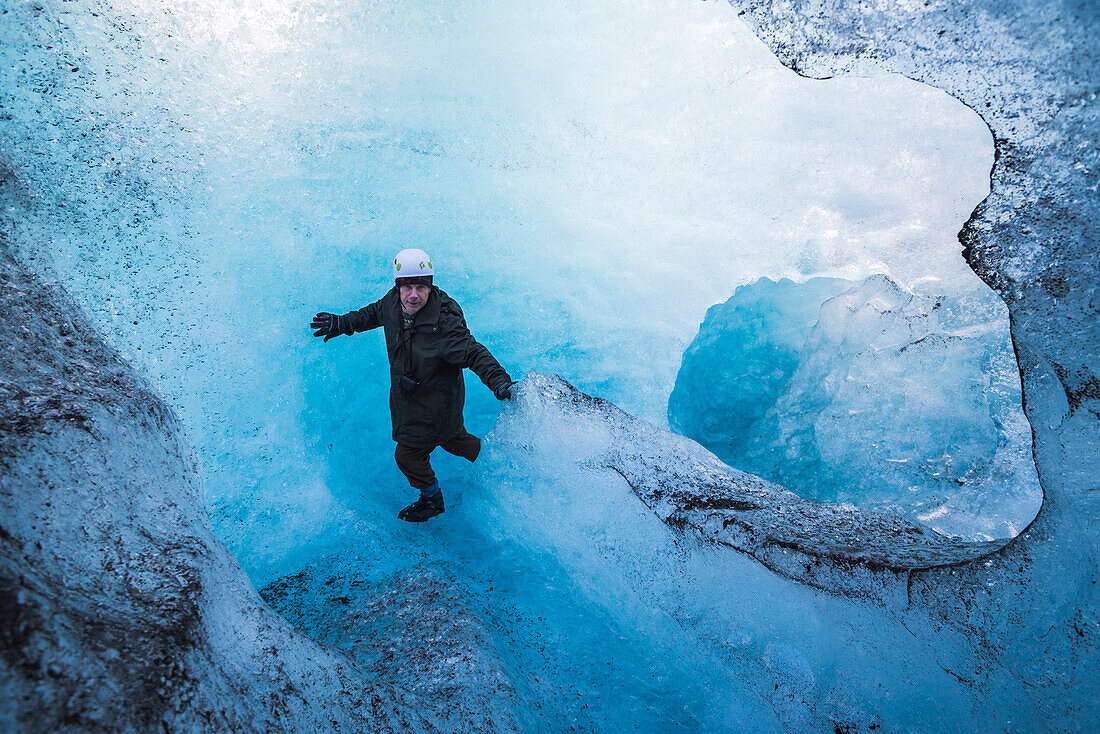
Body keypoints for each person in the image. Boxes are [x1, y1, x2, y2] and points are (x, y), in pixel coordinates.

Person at [310, 248, 513, 522]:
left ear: (430, 287)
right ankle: (502, 461)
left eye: (421, 287)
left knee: (408, 456)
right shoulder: (393, 303)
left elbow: (473, 352)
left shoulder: (444, 324)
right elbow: (372, 314)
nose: (414, 295)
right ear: (398, 286)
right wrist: (342, 323)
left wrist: (499, 381)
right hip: (414, 401)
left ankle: (431, 499)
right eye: (408, 287)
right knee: (454, 440)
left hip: (435, 404)